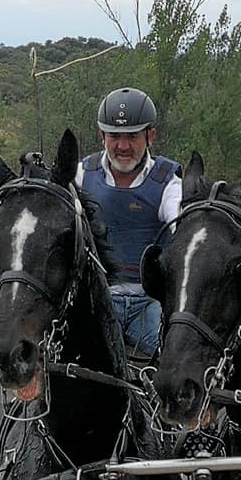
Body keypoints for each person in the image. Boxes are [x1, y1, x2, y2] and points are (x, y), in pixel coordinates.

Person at [75, 87, 181, 359]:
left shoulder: (168, 182)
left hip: (150, 302)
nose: (123, 146)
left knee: (176, 360)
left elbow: (181, 222)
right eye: (114, 136)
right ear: (102, 136)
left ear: (151, 135)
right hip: (96, 298)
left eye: (132, 136)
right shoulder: (80, 176)